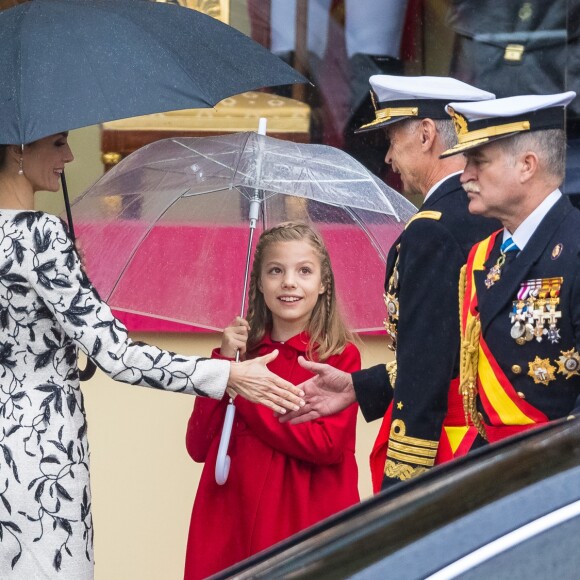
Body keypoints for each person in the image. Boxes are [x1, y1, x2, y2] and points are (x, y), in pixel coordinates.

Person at [0, 135, 303, 579]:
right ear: (17, 150)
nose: (69, 156)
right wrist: (224, 375)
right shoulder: (41, 235)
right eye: (59, 143)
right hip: (38, 453)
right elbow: (116, 355)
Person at [281, 76, 500, 492]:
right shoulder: (489, 211)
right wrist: (359, 386)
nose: (387, 156)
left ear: (425, 134)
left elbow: (428, 373)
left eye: (393, 139)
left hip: (451, 447)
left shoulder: (432, 230)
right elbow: (450, 351)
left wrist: (401, 487)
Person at [184, 222, 360, 579]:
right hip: (232, 517)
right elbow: (198, 445)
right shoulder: (236, 356)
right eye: (275, 271)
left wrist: (249, 395)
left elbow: (325, 445)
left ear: (323, 284)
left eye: (304, 271)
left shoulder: (339, 357)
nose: (289, 282)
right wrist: (222, 365)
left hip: (305, 522)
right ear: (260, 283)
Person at [439, 91, 580, 443]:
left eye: (479, 161)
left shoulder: (574, 246)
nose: (464, 176)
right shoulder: (484, 255)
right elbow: (457, 360)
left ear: (527, 165)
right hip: (498, 463)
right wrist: (360, 386)